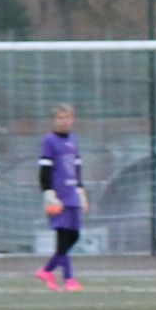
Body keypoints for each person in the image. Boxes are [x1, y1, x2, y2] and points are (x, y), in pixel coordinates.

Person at [36, 103, 88, 291]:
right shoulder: (49, 141)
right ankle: (68, 280)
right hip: (58, 197)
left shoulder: (73, 140)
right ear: (54, 120)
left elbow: (76, 167)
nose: (64, 121)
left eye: (67, 117)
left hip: (72, 194)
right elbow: (44, 169)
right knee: (63, 236)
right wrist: (48, 192)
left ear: (72, 119)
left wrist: (81, 189)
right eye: (60, 118)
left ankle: (46, 270)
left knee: (74, 235)